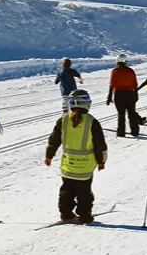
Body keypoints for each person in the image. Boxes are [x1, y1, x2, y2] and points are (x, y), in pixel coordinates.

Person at [44, 89, 107, 224]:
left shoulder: (63, 120)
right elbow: (100, 145)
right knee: (84, 193)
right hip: (85, 166)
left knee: (66, 190)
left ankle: (66, 213)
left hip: (68, 164)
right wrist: (102, 161)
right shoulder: (92, 122)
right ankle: (85, 216)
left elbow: (54, 140)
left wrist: (49, 156)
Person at [106, 53, 140, 138]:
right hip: (130, 94)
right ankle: (135, 131)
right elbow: (135, 84)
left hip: (119, 95)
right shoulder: (130, 71)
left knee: (121, 115)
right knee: (131, 113)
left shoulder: (115, 72)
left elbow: (112, 85)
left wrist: (109, 96)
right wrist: (136, 94)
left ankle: (121, 132)